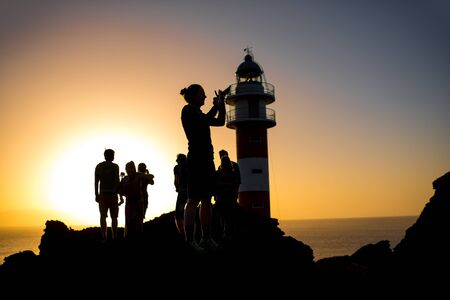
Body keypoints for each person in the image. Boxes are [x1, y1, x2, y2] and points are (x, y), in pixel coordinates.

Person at [180, 84, 226, 252]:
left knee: (206, 200)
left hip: (207, 160)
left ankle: (206, 238)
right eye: (202, 94)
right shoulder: (188, 110)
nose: (205, 97)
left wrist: (222, 106)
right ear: (192, 96)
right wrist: (216, 105)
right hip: (196, 161)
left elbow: (221, 121)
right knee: (193, 200)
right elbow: (207, 119)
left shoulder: (198, 113)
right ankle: (190, 240)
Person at [94, 148, 122, 241]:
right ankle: (114, 236)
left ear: (105, 156)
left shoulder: (99, 166)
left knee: (103, 216)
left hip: (103, 194)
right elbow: (117, 182)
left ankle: (104, 237)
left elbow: (96, 182)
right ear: (112, 156)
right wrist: (120, 195)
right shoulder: (115, 167)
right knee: (114, 217)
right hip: (113, 194)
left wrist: (96, 194)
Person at [215, 155, 241, 240]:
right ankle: (227, 234)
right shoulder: (233, 173)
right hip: (228, 199)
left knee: (224, 218)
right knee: (228, 218)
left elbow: (215, 185)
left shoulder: (218, 173)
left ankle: (225, 233)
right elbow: (236, 184)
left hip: (223, 199)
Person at [118, 161, 142, 238]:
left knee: (137, 222)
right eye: (127, 168)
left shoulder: (138, 176)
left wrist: (142, 174)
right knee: (129, 222)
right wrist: (121, 198)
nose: (128, 170)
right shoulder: (125, 178)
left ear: (133, 168)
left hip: (137, 202)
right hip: (128, 202)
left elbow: (151, 178)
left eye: (130, 168)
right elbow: (119, 189)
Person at [173, 153, 188, 236]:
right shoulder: (189, 165)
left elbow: (176, 180)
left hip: (182, 191)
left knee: (178, 214)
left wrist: (177, 187)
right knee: (189, 210)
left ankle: (183, 234)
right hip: (191, 190)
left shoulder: (177, 167)